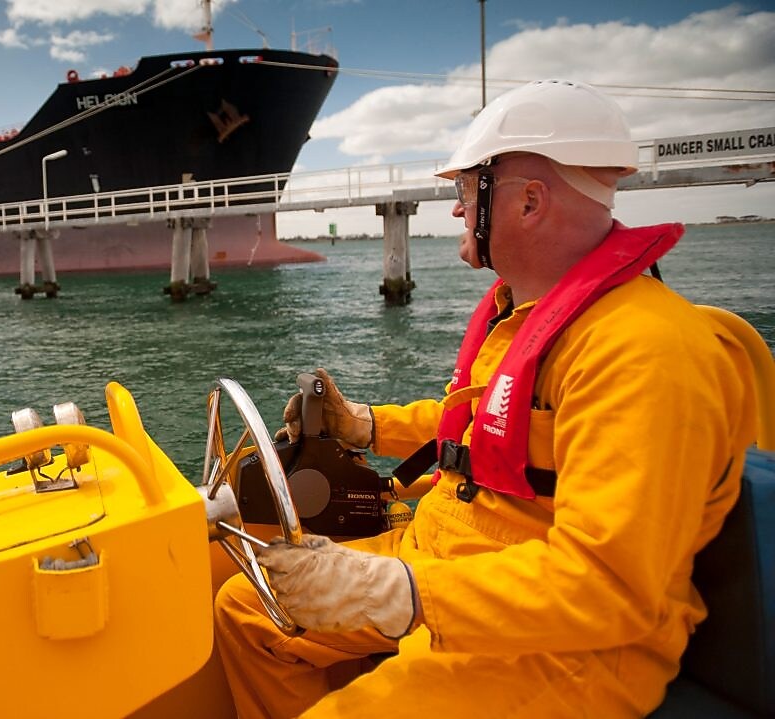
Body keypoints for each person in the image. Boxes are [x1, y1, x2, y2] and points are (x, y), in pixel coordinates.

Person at [213, 79, 758, 718]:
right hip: (455, 554)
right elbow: (483, 429)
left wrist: (394, 590)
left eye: (467, 190)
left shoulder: (647, 351)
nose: (454, 210)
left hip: (565, 646)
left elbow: (610, 589)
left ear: (528, 202)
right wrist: (364, 425)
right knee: (248, 613)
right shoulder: (531, 315)